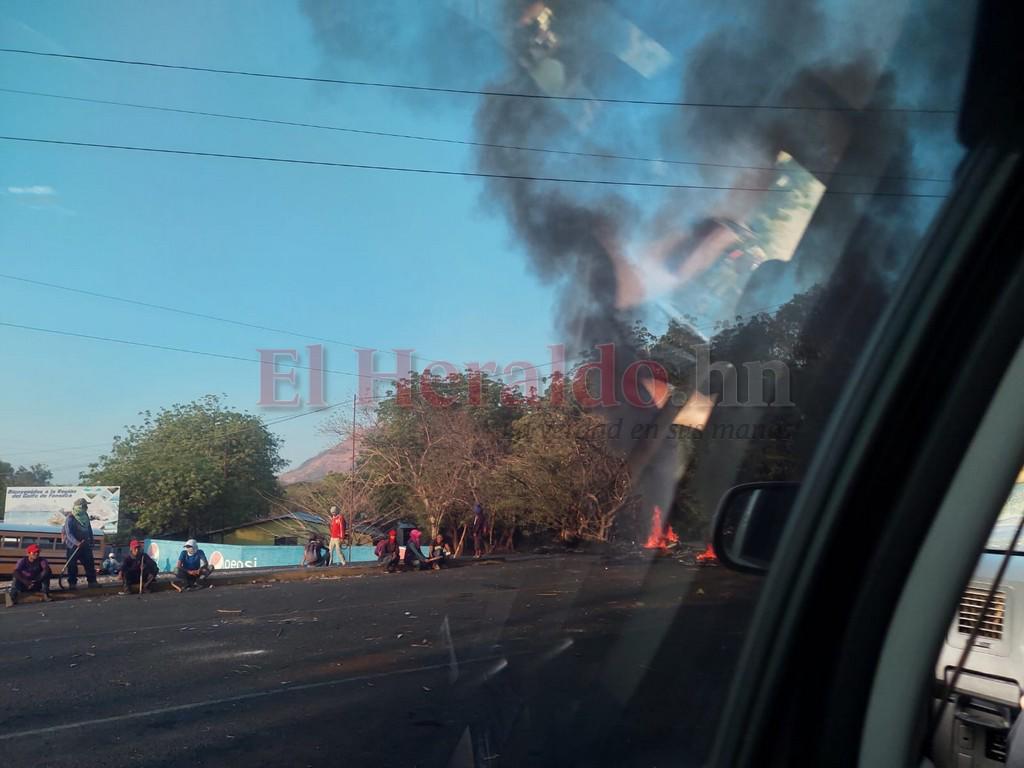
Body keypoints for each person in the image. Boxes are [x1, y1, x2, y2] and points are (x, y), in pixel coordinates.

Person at [62, 498, 97, 589]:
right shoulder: (70, 518)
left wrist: (92, 540)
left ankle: (92, 582)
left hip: (85, 545)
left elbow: (89, 529)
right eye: (85, 506)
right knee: (72, 566)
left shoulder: (85, 516)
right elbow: (69, 533)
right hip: (73, 546)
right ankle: (72, 584)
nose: (86, 508)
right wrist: (76, 542)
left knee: (89, 563)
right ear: (79, 507)